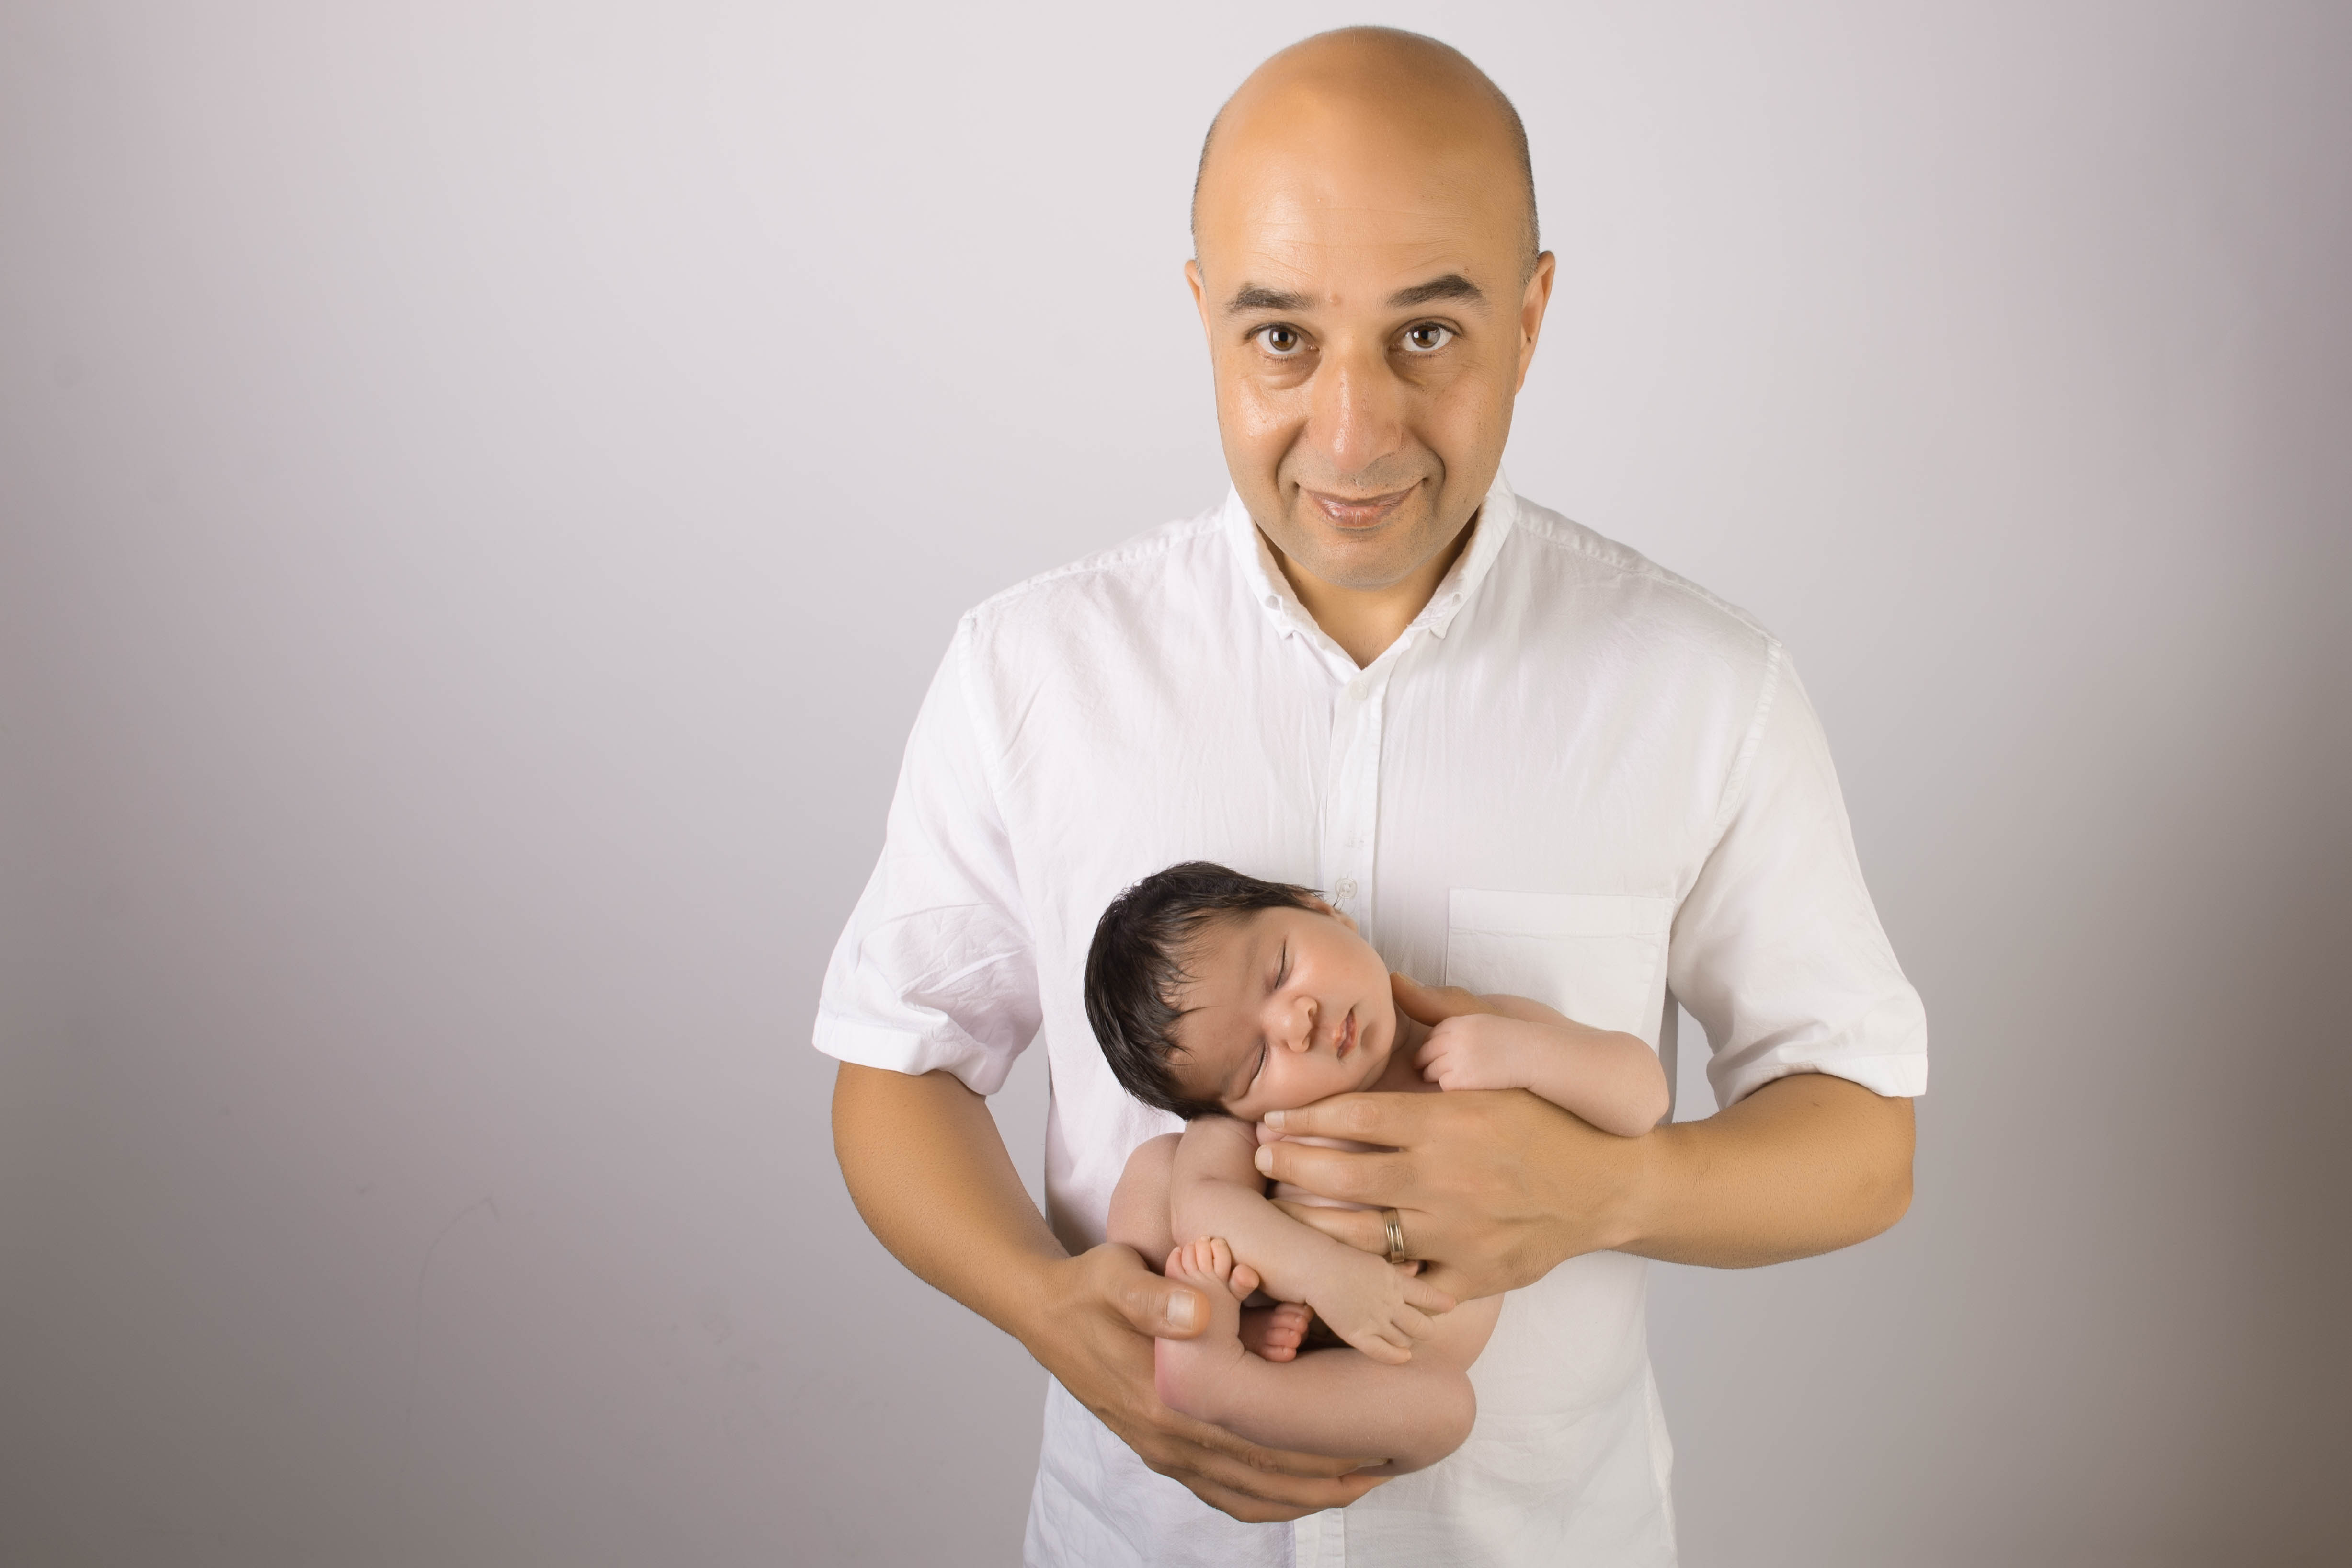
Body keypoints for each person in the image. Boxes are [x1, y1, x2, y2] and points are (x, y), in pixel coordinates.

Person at [821, 24, 1925, 1566]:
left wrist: (1610, 1189)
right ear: (1202, 312)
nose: (1351, 436)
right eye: (1279, 338)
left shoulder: (1702, 684)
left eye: (1425, 335)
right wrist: (1039, 1303)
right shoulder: (1028, 669)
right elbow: (897, 1068)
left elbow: (1861, 1137)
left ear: (1530, 317)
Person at [1086, 860, 1671, 1477]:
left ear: (1319, 911)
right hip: (1258, 1294)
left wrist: (1527, 1052)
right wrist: (1324, 1274)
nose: (1294, 1023)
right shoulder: (1253, 1121)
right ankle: (1209, 1354)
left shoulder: (1480, 1024)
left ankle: (1238, 1389)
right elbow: (1203, 1204)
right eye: (1255, 1063)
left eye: (1279, 970)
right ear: (1227, 1103)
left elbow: (1643, 1099)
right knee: (1158, 1171)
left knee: (1447, 1413)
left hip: (1380, 1362)